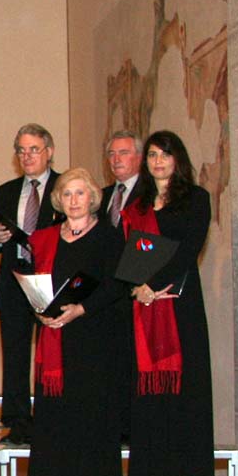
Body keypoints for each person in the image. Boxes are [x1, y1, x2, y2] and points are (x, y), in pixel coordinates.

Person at [24, 168, 126, 476]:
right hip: (55, 333)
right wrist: (39, 311)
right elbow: (37, 282)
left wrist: (81, 309)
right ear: (59, 199)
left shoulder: (109, 236)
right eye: (67, 194)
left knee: (89, 409)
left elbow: (117, 284)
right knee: (57, 412)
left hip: (93, 334)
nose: (74, 200)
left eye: (80, 193)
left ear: (92, 197)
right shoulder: (46, 237)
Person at [124, 130, 213, 476]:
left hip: (180, 304)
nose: (158, 161)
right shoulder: (138, 204)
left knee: (186, 393)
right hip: (146, 307)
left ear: (178, 159)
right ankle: (163, 474)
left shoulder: (196, 199)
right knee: (156, 398)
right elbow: (131, 253)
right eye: (152, 155)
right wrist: (138, 286)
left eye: (165, 154)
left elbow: (186, 251)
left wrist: (152, 283)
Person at [0, 123, 63, 445]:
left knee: (51, 353)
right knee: (14, 355)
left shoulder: (64, 186)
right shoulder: (5, 191)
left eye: (34, 149)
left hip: (50, 280)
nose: (27, 156)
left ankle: (51, 419)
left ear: (49, 152)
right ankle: (17, 422)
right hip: (14, 279)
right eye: (21, 150)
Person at [99, 130, 144, 445]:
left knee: (133, 360)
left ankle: (131, 426)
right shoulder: (100, 197)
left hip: (136, 291)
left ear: (139, 157)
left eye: (124, 153)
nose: (116, 159)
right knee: (110, 362)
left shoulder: (148, 195)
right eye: (112, 154)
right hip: (105, 295)